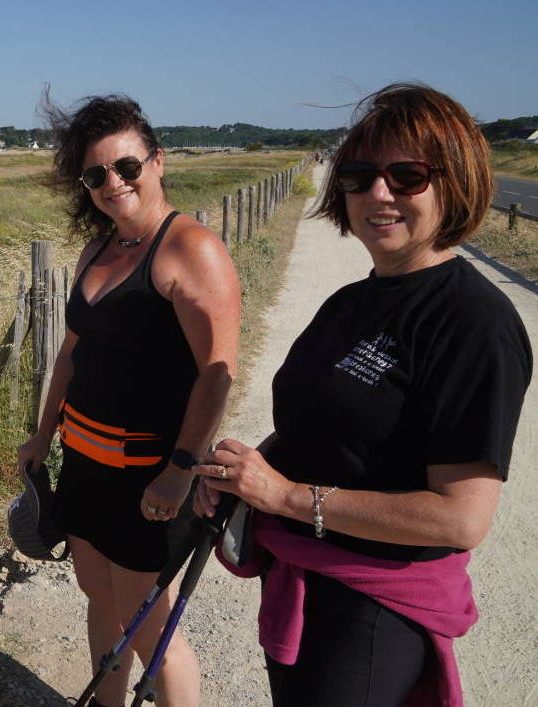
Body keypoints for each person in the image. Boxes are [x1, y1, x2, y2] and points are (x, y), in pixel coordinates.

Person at [193, 83, 532, 706]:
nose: (379, 194)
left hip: (376, 607)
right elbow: (316, 426)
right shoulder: (351, 301)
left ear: (455, 183)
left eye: (407, 176)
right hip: (304, 581)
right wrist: (242, 473)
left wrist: (286, 494)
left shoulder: (472, 321)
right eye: (358, 175)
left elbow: (460, 517)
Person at [19, 94, 240, 707]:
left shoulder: (192, 249)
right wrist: (43, 435)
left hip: (147, 475)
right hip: (83, 463)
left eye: (126, 167)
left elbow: (216, 374)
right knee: (100, 599)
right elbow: (70, 355)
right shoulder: (97, 250)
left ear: (158, 162)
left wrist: (179, 471)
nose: (112, 183)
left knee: (150, 626)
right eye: (95, 175)